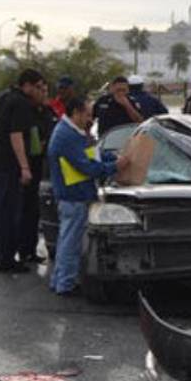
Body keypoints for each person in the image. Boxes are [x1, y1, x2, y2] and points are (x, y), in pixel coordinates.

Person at [46, 97, 127, 295]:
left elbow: (93, 154)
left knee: (67, 240)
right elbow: (87, 167)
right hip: (73, 196)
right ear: (76, 113)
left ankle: (60, 281)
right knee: (70, 243)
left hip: (75, 194)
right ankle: (65, 284)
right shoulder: (67, 136)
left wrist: (112, 156)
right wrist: (115, 166)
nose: (90, 119)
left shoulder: (73, 132)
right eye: (87, 114)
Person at [0, 68, 43, 273]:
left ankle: (3, 257)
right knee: (8, 214)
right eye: (37, 87)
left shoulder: (4, 97)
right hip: (8, 164)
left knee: (1, 212)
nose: (39, 91)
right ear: (27, 85)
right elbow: (15, 135)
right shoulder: (21, 103)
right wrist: (24, 166)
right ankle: (6, 260)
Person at [17, 78, 56, 265]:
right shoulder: (25, 112)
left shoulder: (47, 111)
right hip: (30, 166)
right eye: (41, 89)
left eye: (46, 90)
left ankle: (31, 250)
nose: (44, 94)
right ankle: (24, 250)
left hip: (44, 167)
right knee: (26, 211)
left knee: (37, 212)